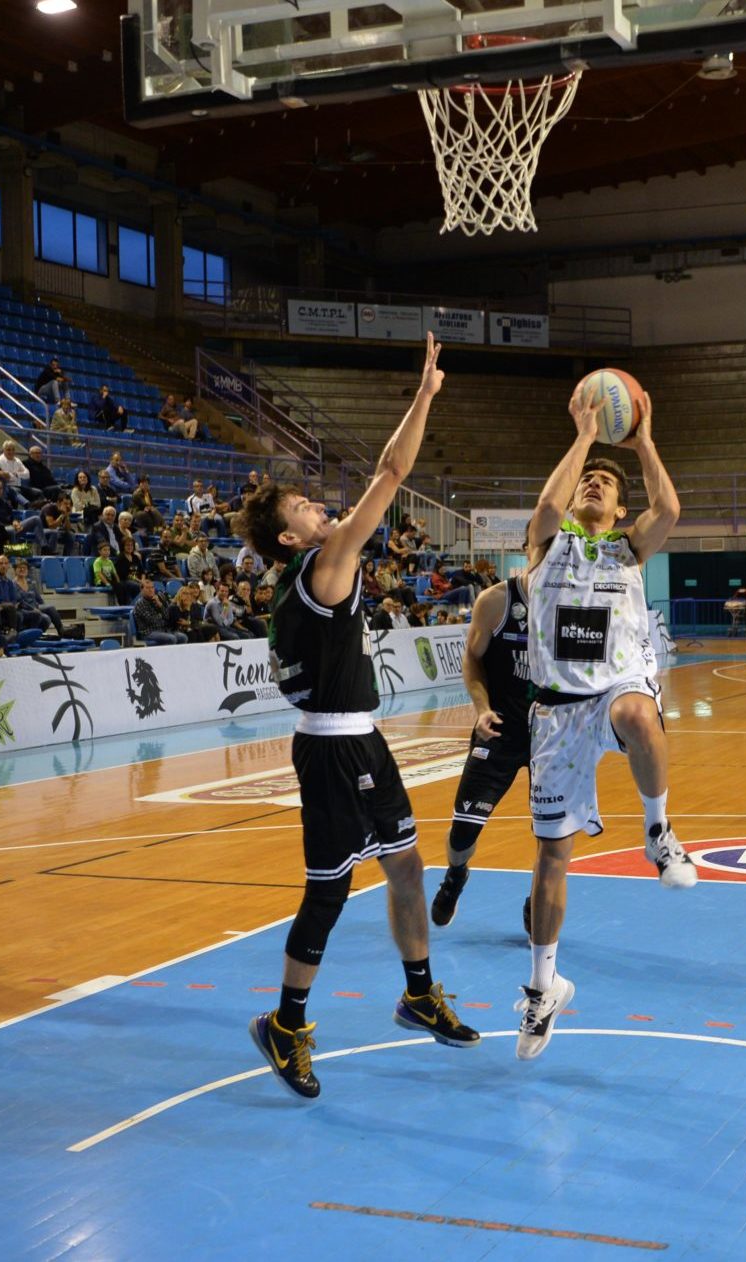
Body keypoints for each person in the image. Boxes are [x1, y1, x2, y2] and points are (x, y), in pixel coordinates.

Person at [232, 334, 475, 1100]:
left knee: (405, 866)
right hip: (333, 753)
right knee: (329, 892)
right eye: (304, 506)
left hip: (360, 741)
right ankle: (286, 1023)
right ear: (289, 538)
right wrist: (427, 394)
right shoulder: (322, 569)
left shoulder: (305, 575)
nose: (319, 506)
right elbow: (393, 472)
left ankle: (417, 992)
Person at [517, 381, 694, 1062]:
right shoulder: (546, 545)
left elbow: (670, 507)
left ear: (621, 508)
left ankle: (658, 832)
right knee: (551, 858)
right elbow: (546, 505)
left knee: (637, 714)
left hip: (614, 689)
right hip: (556, 710)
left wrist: (642, 438)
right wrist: (585, 436)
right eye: (586, 480)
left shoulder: (630, 550)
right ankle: (542, 989)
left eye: (603, 484)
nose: (592, 485)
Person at [429, 572, 531, 928]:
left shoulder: (574, 603)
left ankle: (541, 895)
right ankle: (456, 874)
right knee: (462, 833)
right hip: (499, 728)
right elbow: (472, 659)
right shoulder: (496, 601)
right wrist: (482, 709)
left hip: (551, 733)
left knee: (553, 832)